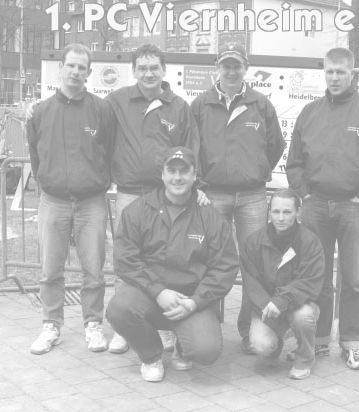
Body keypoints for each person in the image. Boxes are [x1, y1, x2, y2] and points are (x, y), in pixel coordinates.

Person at [286, 48, 359, 369]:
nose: (334, 78)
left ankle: (351, 342)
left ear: (352, 74)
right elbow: (295, 160)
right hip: (316, 205)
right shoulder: (310, 112)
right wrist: (304, 194)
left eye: (340, 72)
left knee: (353, 279)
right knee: (316, 277)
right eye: (330, 72)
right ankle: (319, 340)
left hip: (354, 207)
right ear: (325, 73)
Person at [106, 147, 238, 382]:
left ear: (194, 175)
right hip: (150, 294)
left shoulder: (209, 216)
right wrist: (158, 292)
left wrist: (195, 302)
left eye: (184, 171)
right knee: (119, 308)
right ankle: (151, 356)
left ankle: (183, 345)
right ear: (162, 174)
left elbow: (224, 267)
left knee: (206, 351)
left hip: (191, 299)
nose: (178, 177)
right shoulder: (138, 210)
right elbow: (125, 260)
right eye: (172, 171)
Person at [106, 44, 202, 354]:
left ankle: (163, 324)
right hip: (129, 193)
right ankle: (124, 326)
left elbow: (191, 149)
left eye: (154, 68)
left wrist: (193, 186)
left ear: (164, 70)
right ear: (134, 70)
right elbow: (93, 127)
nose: (148, 73)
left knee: (165, 258)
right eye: (143, 68)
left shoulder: (179, 107)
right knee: (126, 258)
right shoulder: (117, 101)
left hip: (166, 195)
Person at [191, 43, 285, 354]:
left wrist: (255, 170)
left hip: (252, 196)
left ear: (246, 68)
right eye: (226, 65)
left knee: (254, 265)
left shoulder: (261, 104)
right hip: (212, 195)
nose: (231, 71)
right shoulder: (200, 104)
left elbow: (275, 146)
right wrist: (199, 184)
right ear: (217, 67)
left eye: (237, 66)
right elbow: (191, 147)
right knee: (210, 262)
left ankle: (248, 330)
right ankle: (208, 328)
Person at [27, 44, 115, 354]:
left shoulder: (102, 110)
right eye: (71, 66)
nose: (76, 72)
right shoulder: (40, 111)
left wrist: (97, 181)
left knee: (94, 269)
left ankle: (93, 324)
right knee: (50, 269)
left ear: (89, 72)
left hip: (92, 202)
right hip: (53, 201)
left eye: (82, 67)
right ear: (61, 68)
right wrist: (48, 182)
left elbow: (109, 150)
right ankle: (51, 325)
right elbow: (36, 155)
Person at [241, 189, 325, 380]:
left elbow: (310, 281)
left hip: (299, 304)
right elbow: (251, 282)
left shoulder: (310, 242)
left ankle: (305, 358)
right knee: (262, 346)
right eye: (276, 211)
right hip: (267, 307)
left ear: (298, 212)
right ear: (269, 212)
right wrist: (268, 306)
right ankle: (276, 342)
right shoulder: (253, 242)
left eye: (287, 212)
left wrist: (282, 300)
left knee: (303, 317)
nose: (280, 218)